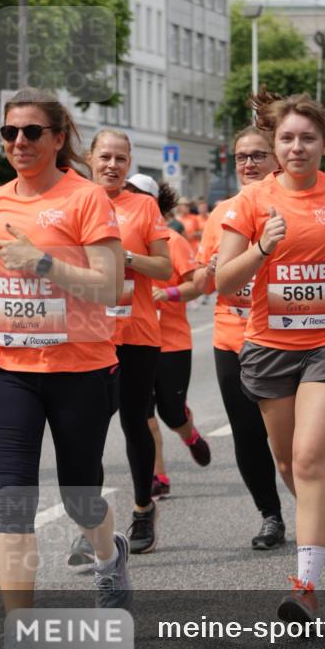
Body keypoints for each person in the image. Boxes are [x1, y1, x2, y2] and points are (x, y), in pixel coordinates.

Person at [0, 88, 132, 649]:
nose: (18, 143)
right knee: (14, 504)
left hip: (80, 369)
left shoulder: (86, 198)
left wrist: (43, 263)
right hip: (7, 368)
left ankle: (111, 560)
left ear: (58, 138)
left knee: (83, 494)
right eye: (9, 133)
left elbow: (109, 286)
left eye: (32, 132)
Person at [216, 90, 325, 621]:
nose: (297, 147)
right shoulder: (249, 202)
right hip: (269, 348)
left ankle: (305, 586)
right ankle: (317, 519)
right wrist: (262, 247)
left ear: (324, 142)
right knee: (288, 461)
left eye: (307, 138)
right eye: (287, 138)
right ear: (275, 142)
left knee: (311, 460)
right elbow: (224, 282)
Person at [195, 126, 286, 550]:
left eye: (258, 155)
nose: (249, 164)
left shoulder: (295, 205)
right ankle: (271, 515)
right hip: (234, 339)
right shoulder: (221, 214)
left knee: (290, 442)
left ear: (277, 159)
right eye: (241, 157)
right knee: (248, 434)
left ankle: (312, 503)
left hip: (289, 341)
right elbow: (199, 281)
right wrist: (211, 269)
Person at [85, 131, 171, 552]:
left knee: (134, 422)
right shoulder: (76, 201)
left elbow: (165, 269)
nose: (112, 165)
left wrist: (126, 257)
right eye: (105, 157)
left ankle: (142, 510)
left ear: (129, 162)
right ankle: (94, 525)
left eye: (121, 158)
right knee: (87, 430)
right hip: (87, 334)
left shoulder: (143, 206)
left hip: (136, 332)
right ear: (90, 158)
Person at [123, 176, 210, 502]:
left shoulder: (173, 240)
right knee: (143, 415)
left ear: (153, 202)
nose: (129, 199)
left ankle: (189, 436)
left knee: (172, 414)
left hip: (172, 342)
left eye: (137, 195)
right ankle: (158, 476)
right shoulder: (118, 239)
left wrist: (167, 293)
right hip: (135, 339)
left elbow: (195, 286)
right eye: (127, 193)